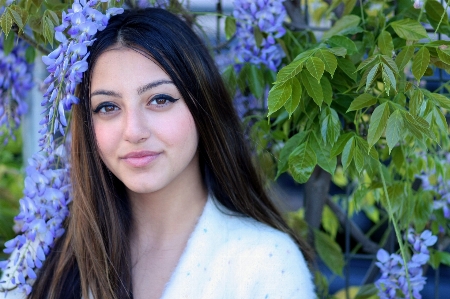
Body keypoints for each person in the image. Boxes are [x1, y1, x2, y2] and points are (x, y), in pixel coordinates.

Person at [1, 7, 315, 299]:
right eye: (108, 107)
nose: (134, 131)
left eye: (159, 100)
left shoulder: (265, 263)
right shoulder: (55, 258)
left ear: (202, 105)